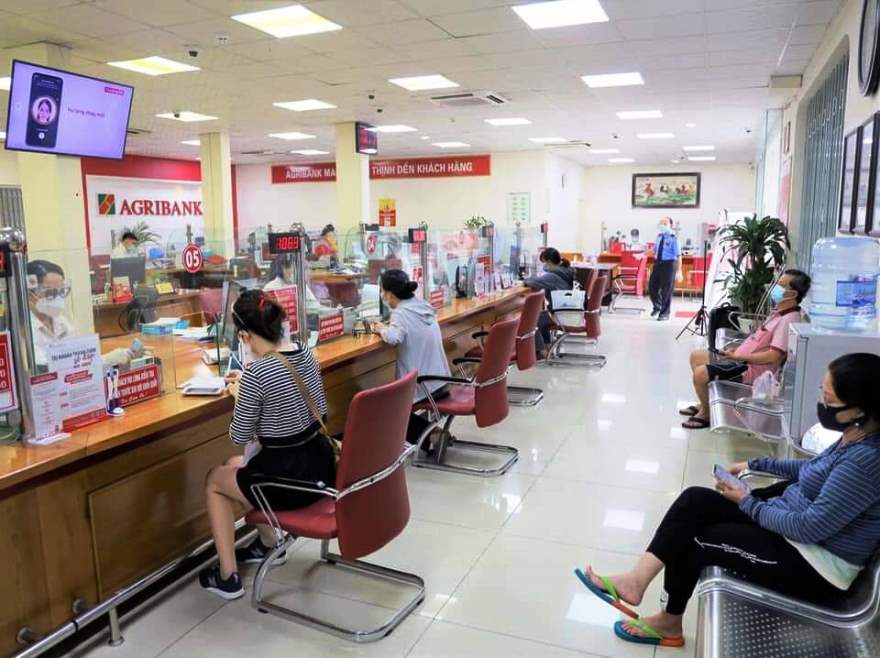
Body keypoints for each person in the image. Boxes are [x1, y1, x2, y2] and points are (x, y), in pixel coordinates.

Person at [577, 353, 880, 649]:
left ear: (858, 410)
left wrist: (749, 503)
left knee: (697, 540)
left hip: (814, 566)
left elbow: (809, 528)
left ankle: (669, 623)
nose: (821, 403)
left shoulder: (864, 461)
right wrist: (755, 464)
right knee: (695, 500)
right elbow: (813, 469)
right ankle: (635, 581)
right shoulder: (855, 434)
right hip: (790, 527)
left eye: (828, 399)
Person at [199, 289, 336, 600]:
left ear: (245, 336)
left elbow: (238, 436)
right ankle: (269, 543)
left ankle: (227, 577)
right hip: (319, 469)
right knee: (235, 467)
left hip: (285, 481)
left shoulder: (256, 374)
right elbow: (321, 410)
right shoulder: (304, 352)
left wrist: (241, 396)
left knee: (215, 480)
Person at [680, 269, 811, 429]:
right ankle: (704, 403)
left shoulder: (788, 319)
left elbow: (773, 356)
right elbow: (758, 340)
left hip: (749, 369)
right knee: (696, 357)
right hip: (740, 360)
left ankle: (706, 414)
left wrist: (739, 357)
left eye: (781, 285)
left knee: (700, 374)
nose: (775, 287)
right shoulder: (779, 312)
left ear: (792, 294)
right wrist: (737, 350)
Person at [371, 269, 451, 448]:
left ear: (390, 294)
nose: (382, 295)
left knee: (387, 408)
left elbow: (394, 338)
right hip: (441, 380)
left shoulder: (400, 313)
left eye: (382, 291)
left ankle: (433, 437)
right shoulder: (421, 305)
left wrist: (380, 328)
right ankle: (433, 436)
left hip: (424, 385)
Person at [27, 260, 135, 369]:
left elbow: (76, 357)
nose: (58, 298)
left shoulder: (60, 321)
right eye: (51, 293)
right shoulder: (26, 331)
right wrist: (107, 360)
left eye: (62, 291)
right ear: (30, 294)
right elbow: (47, 369)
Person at [523, 247, 574, 357]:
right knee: (541, 318)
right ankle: (547, 348)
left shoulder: (553, 276)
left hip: (561, 315)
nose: (544, 266)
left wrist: (523, 280)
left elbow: (532, 282)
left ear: (549, 262)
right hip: (570, 311)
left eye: (544, 263)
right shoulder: (566, 270)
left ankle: (542, 351)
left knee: (532, 321)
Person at [648, 217, 682, 321]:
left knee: (666, 291)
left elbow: (679, 255)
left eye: (665, 223)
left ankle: (664, 313)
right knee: (652, 287)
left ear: (671, 225)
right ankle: (658, 306)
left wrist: (679, 271)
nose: (662, 225)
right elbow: (654, 250)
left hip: (669, 265)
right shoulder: (659, 236)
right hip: (658, 264)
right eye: (661, 223)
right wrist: (642, 254)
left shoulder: (674, 238)